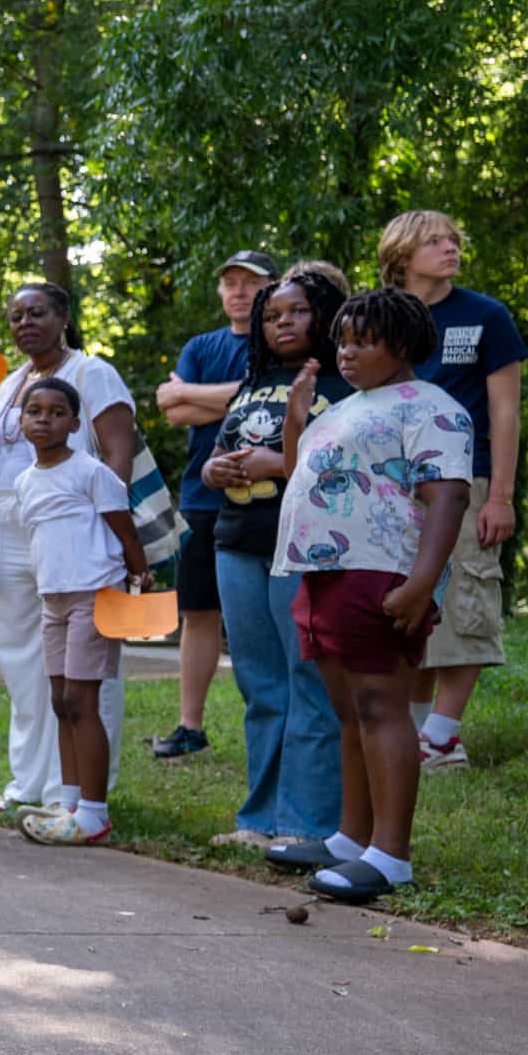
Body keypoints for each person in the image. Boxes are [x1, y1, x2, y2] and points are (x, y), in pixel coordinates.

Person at [273, 287, 474, 904]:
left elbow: (449, 496)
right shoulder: (343, 408)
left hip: (380, 569)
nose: (347, 351)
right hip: (324, 570)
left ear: (405, 345)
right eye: (342, 340)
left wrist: (420, 581)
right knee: (347, 710)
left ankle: (391, 856)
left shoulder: (431, 406)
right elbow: (297, 472)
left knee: (380, 704)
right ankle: (349, 837)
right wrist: (295, 423)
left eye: (363, 340)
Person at [0, 283, 148, 817]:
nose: (25, 323)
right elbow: (2, 467)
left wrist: (104, 539)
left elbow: (116, 459)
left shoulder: (93, 374)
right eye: (16, 315)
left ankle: (84, 790)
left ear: (63, 317)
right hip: (13, 534)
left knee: (85, 669)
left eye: (37, 312)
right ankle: (29, 781)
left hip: (76, 544)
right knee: (24, 662)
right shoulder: (10, 386)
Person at [198, 262, 353, 862]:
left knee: (308, 682)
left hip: (305, 550)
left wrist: (278, 464)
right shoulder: (251, 382)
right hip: (237, 542)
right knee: (261, 688)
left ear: (325, 317)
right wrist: (216, 469)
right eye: (270, 316)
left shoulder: (342, 386)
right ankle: (258, 819)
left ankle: (309, 824)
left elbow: (347, 469)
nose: (281, 323)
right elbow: (219, 453)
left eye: (296, 312)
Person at [380, 211, 526, 772]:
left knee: (466, 597)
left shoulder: (486, 315)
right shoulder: (383, 316)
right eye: (434, 241)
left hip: (468, 481)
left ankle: (443, 738)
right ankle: (414, 737)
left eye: (453, 240)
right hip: (391, 484)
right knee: (404, 603)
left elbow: (506, 410)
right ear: (401, 255)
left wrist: (502, 497)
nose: (450, 249)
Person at [148, 248, 282, 759]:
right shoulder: (202, 345)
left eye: (249, 282)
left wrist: (199, 396)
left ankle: (280, 715)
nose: (238, 291)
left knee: (271, 611)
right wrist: (240, 393)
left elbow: (273, 395)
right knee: (198, 611)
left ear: (273, 285)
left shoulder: (281, 342)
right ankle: (190, 727)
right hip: (203, 497)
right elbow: (170, 408)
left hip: (265, 498)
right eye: (229, 282)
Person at [8, 378, 151, 845]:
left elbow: (125, 532)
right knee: (59, 701)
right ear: (21, 420)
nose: (44, 419)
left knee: (82, 701)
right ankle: (68, 803)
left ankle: (94, 814)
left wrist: (137, 579)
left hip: (96, 594)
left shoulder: (91, 472)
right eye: (34, 411)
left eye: (56, 412)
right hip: (53, 601)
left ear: (74, 422)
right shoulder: (25, 482)